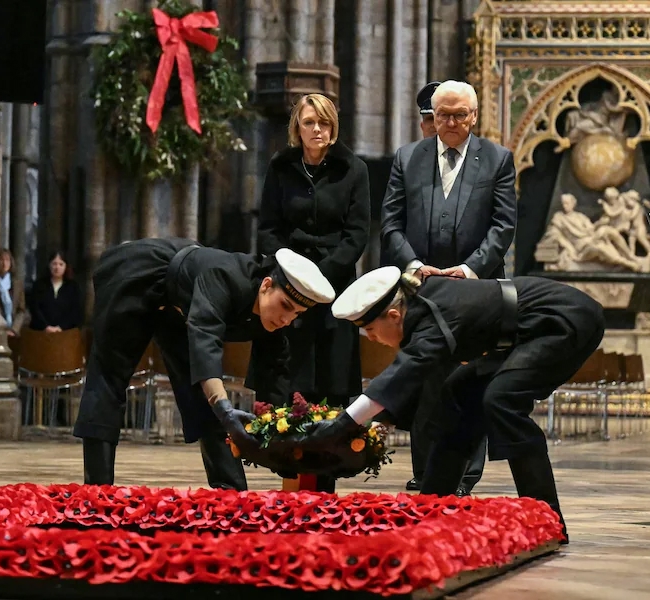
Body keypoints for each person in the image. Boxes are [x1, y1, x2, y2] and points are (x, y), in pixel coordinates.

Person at [293, 266, 605, 543]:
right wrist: (374, 421)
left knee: (501, 399)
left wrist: (343, 424)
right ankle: (431, 507)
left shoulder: (430, 316)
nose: (371, 339)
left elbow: (405, 371)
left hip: (562, 318)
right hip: (524, 332)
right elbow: (409, 379)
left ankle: (548, 517)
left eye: (371, 330)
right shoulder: (421, 308)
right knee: (457, 393)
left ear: (394, 315)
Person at [72, 240, 336, 489]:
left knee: (204, 396)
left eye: (296, 313)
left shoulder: (273, 316)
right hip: (138, 273)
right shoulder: (225, 276)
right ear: (266, 285)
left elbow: (275, 371)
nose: (287, 319)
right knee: (108, 377)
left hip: (180, 304)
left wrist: (279, 438)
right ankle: (98, 490)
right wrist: (224, 408)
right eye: (285, 306)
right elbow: (205, 342)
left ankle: (231, 492)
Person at [381, 79, 518, 495]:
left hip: (474, 288)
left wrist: (469, 269)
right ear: (432, 117)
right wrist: (414, 265)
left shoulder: (497, 159)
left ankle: (464, 476)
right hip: (420, 287)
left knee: (468, 379)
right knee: (423, 378)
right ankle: (426, 473)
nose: (451, 122)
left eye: (460, 115)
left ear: (474, 116)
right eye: (443, 115)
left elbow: (503, 226)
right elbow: (390, 223)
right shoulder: (408, 158)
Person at [255, 93, 370, 492]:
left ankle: (324, 483)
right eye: (309, 122)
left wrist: (319, 277)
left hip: (334, 289)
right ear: (297, 128)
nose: (316, 129)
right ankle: (289, 479)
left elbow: (357, 234)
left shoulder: (353, 169)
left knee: (330, 385)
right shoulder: (281, 166)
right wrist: (291, 274)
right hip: (288, 288)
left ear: (333, 126)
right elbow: (268, 227)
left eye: (323, 122)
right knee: (291, 382)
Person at [29, 250, 82, 332]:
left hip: (66, 333)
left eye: (61, 264)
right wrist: (46, 326)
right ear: (49, 265)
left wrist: (61, 327)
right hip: (41, 332)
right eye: (54, 264)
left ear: (66, 266)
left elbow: (75, 311)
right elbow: (34, 308)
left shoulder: (73, 287)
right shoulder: (39, 285)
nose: (57, 267)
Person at [0, 248, 26, 336]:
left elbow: (21, 310)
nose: (4, 263)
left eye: (7, 260)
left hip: (13, 331)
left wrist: (14, 329)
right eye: (1, 260)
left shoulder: (17, 283)